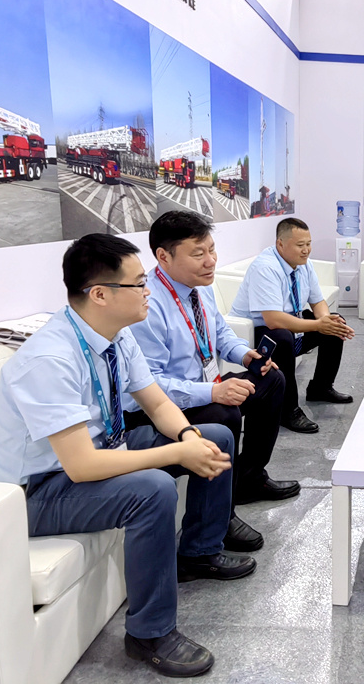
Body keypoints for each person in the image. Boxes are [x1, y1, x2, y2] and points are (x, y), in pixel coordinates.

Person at [0, 234, 255, 678]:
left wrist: (188, 436)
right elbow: (82, 466)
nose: (149, 291)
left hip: (101, 453)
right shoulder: (50, 359)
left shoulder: (115, 336)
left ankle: (198, 552)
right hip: (36, 493)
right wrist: (176, 453)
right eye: (140, 283)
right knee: (153, 489)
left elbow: (157, 403)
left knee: (215, 435)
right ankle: (149, 633)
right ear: (100, 294)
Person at [127, 211, 300, 555]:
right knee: (224, 414)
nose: (210, 261)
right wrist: (214, 392)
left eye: (211, 250)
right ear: (163, 256)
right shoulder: (148, 306)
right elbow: (150, 386)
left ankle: (249, 478)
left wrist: (245, 356)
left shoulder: (198, 287)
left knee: (271, 379)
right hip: (160, 409)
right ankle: (218, 520)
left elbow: (220, 332)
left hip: (203, 388)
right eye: (198, 254)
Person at [230, 217, 355, 434]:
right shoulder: (265, 268)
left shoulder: (304, 264)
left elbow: (318, 301)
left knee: (335, 323)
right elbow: (273, 319)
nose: (306, 250)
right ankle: (288, 410)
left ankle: (320, 388)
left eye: (308, 244)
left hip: (288, 322)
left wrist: (326, 322)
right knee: (282, 336)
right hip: (255, 331)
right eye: (300, 245)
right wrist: (318, 325)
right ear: (280, 244)